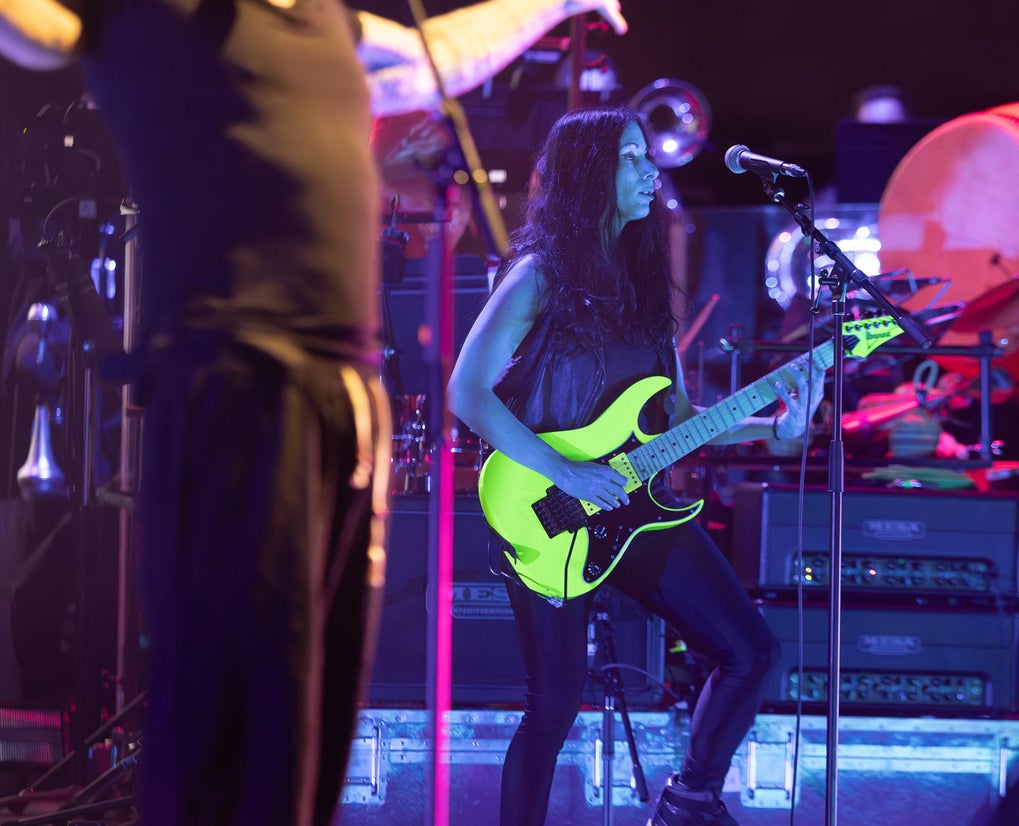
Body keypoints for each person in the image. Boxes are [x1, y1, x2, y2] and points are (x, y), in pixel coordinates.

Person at [0, 1, 626, 825]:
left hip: (340, 393)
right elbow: (37, 27)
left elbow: (433, 56)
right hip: (239, 384)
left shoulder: (327, 23)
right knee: (236, 717)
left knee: (311, 716)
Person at [447, 107, 824, 826]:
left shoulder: (647, 293)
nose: (653, 172)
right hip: (548, 508)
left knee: (750, 651)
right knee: (552, 706)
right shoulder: (539, 276)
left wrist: (778, 426)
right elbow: (467, 392)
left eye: (649, 157)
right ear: (591, 172)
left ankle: (688, 802)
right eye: (632, 158)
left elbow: (680, 420)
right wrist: (567, 474)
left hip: (634, 507)